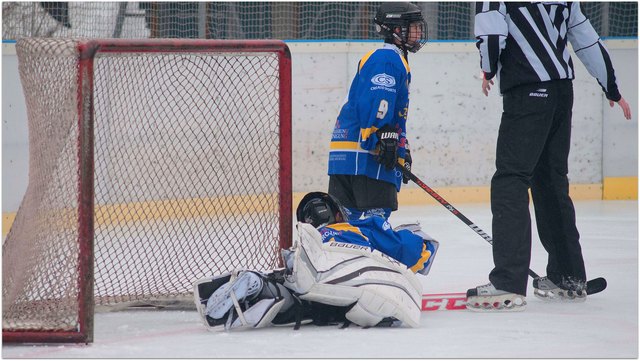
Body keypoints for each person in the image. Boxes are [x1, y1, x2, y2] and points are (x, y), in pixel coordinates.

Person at [467, 2, 632, 311]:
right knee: (550, 181)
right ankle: (568, 275)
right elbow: (586, 39)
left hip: (528, 91)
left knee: (510, 181)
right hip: (561, 93)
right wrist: (610, 86)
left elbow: (491, 38)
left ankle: (507, 282)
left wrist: (488, 70)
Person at [193, 192, 439, 330]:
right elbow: (411, 252)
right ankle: (277, 287)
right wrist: (422, 242)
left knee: (298, 297)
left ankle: (263, 286)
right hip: (353, 266)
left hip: (317, 271)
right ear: (338, 213)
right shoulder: (360, 226)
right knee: (363, 304)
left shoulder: (313, 239)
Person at [327, 2, 427, 221]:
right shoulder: (388, 58)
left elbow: (389, 113)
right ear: (397, 29)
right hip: (366, 155)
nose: (419, 31)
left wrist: (402, 147)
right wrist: (380, 136)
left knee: (346, 226)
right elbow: (376, 100)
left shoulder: (387, 58)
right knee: (376, 225)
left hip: (346, 152)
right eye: (414, 26)